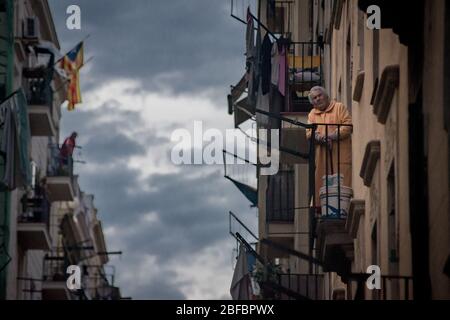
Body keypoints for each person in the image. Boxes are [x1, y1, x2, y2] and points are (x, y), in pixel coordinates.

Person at [306, 86, 352, 209]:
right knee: (323, 184)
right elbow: (309, 133)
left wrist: (331, 136)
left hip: (341, 155)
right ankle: (324, 209)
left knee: (343, 184)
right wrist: (322, 139)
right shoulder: (312, 115)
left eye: (319, 95)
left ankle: (343, 208)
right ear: (313, 102)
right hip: (322, 157)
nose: (318, 99)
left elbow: (347, 126)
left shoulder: (339, 107)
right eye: (314, 98)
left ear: (326, 95)